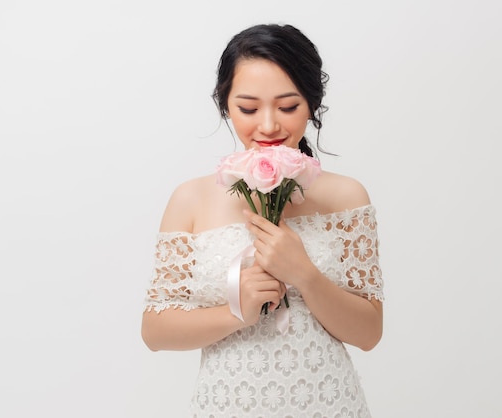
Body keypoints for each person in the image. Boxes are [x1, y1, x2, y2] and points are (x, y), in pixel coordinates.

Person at [142, 23, 384, 417]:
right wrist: (237, 311)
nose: (269, 125)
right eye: (249, 108)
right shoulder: (191, 198)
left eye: (288, 107)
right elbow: (154, 331)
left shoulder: (346, 197)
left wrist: (304, 273)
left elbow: (369, 333)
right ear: (225, 106)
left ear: (312, 104)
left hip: (328, 404)